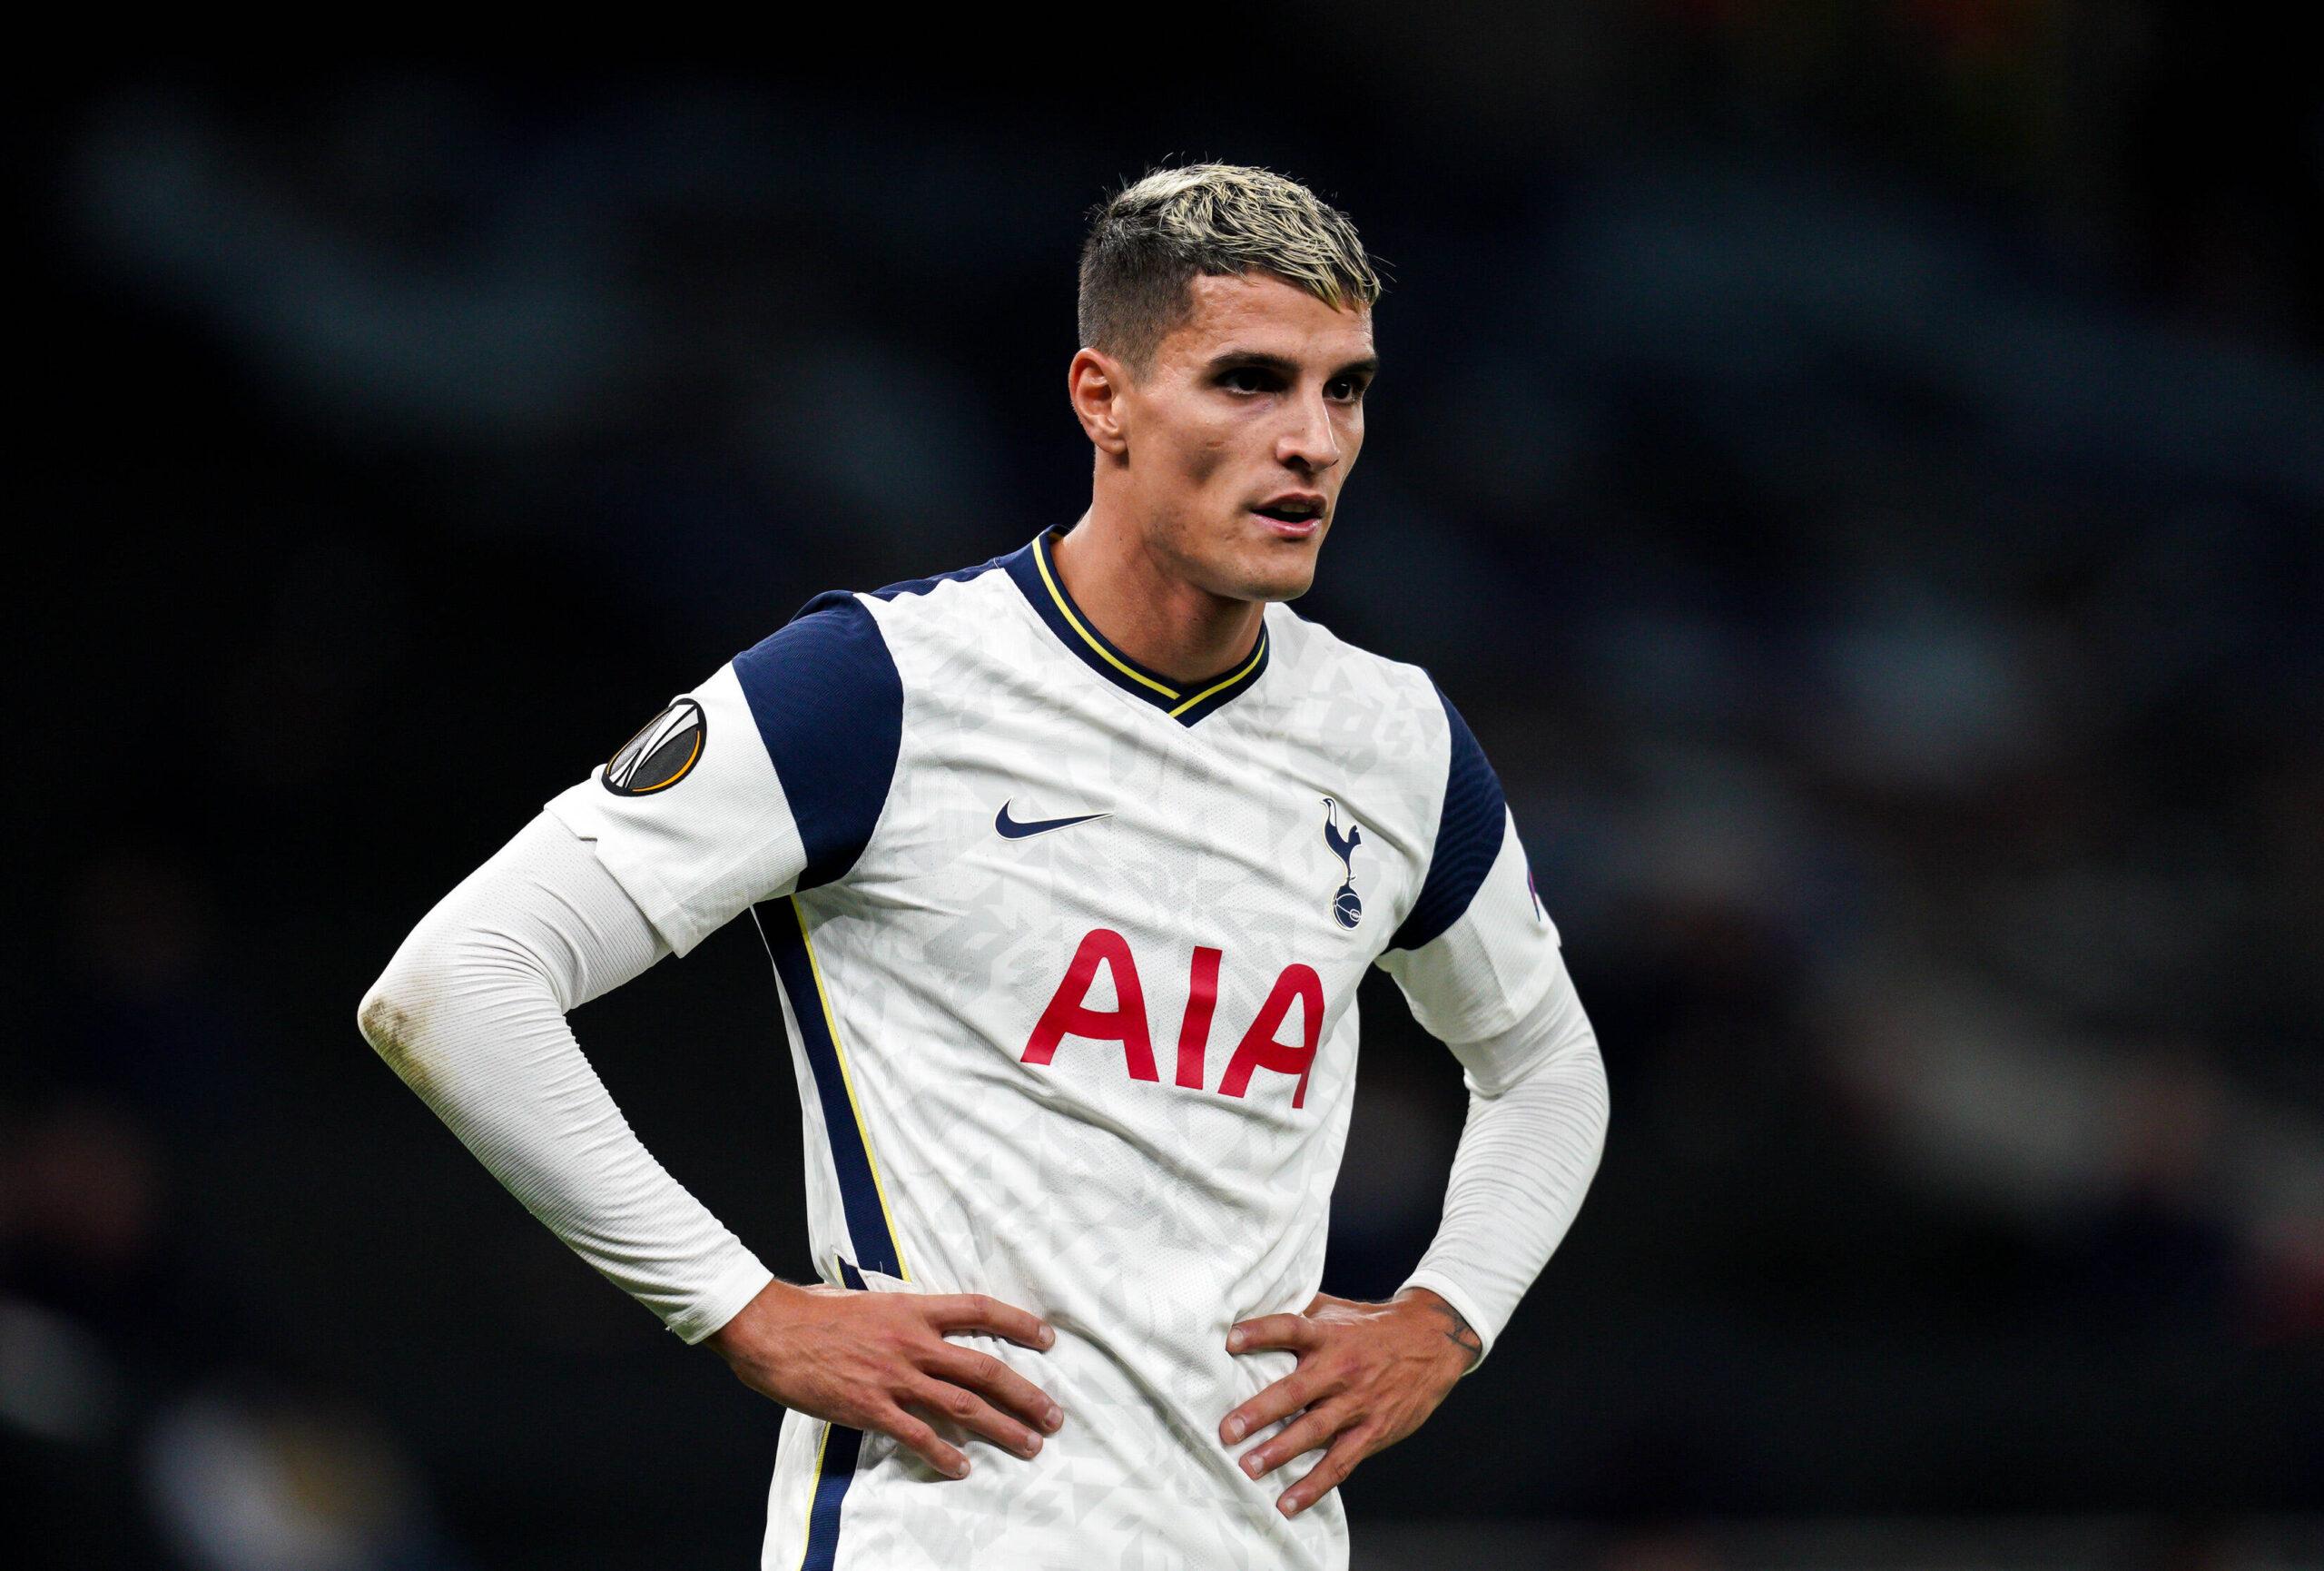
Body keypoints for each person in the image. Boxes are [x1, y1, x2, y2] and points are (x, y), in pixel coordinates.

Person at [359, 163, 1609, 1570]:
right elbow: (455, 982)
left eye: (1347, 389)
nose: (1312, 441)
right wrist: (739, 1305)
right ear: (1103, 399)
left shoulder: (1393, 738)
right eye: (1250, 381)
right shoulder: (877, 685)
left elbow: (1544, 1062)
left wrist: (1448, 1315)